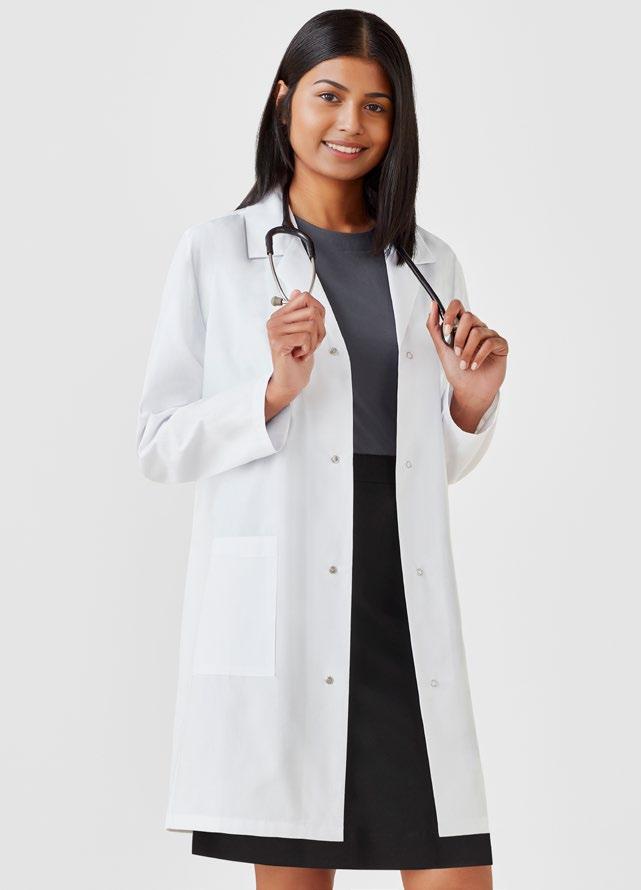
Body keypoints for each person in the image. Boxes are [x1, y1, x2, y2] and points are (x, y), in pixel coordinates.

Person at [136, 9, 508, 890]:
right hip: (291, 598)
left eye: (376, 106)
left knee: (453, 858)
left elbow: (434, 465)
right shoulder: (216, 253)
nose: (351, 124)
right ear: (283, 102)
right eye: (329, 97)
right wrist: (269, 394)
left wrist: (470, 402)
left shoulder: (430, 264)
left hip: (398, 593)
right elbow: (158, 443)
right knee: (296, 858)